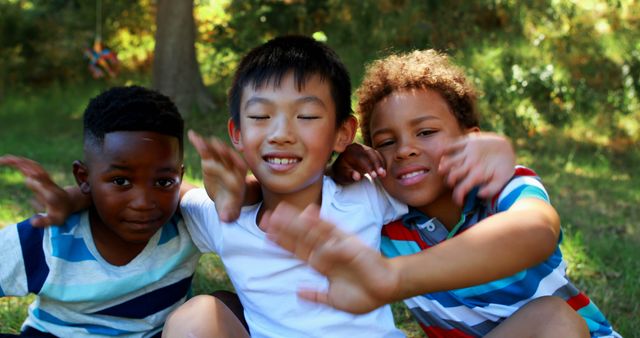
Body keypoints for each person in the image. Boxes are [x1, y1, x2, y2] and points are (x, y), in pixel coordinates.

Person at [163, 36, 517, 337]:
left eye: (306, 117)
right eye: (260, 117)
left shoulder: (365, 193)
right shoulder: (223, 216)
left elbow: (427, 176)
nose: (281, 134)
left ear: (342, 134)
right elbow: (167, 191)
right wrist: (236, 191)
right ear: (237, 133)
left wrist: (493, 148)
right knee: (193, 318)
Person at [263, 50, 620, 337]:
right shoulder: (381, 213)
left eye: (426, 132)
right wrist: (337, 169)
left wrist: (394, 276)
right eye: (385, 142)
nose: (404, 150)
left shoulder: (504, 188)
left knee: (552, 318)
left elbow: (536, 231)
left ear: (471, 139)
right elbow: (305, 196)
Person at [0, 86, 201, 338]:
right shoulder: (49, 239)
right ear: (84, 178)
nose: (143, 202)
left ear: (179, 177)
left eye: (162, 182)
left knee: (223, 307)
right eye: (120, 181)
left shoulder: (190, 224)